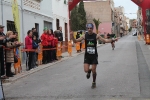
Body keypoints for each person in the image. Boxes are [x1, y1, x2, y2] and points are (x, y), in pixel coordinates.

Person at [72, 23, 118, 88]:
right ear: (87, 29)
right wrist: (72, 36)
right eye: (88, 28)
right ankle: (89, 71)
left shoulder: (96, 36)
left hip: (94, 55)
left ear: (92, 29)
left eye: (90, 28)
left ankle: (94, 82)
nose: (89, 29)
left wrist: (112, 40)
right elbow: (76, 41)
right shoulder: (85, 36)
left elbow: (104, 40)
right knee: (86, 70)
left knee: (94, 70)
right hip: (87, 55)